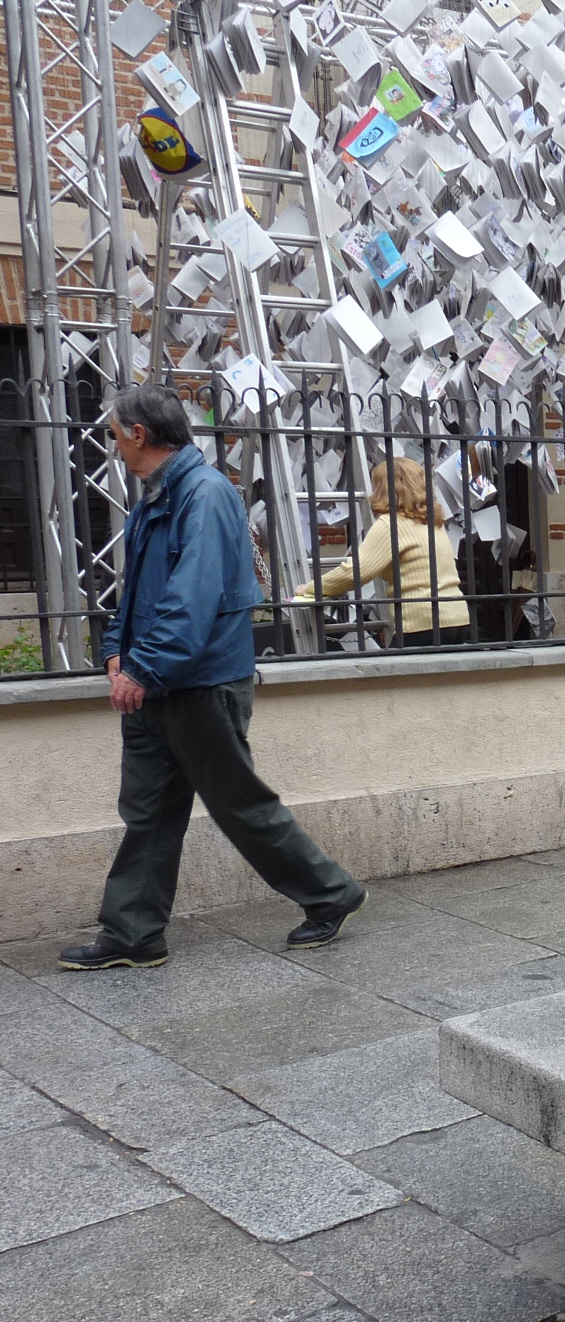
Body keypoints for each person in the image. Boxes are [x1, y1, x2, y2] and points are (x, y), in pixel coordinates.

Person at [61, 384, 365, 970]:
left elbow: (192, 596)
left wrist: (142, 666)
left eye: (115, 435)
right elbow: (136, 591)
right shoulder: (158, 497)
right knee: (148, 811)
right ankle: (133, 934)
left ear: (139, 434)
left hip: (199, 683)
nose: (114, 446)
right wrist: (115, 652)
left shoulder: (204, 493)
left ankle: (331, 893)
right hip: (156, 683)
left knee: (239, 804)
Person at [297, 456, 471, 646]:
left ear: (382, 489)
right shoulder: (432, 521)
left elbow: (356, 572)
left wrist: (310, 589)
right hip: (457, 618)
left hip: (421, 621)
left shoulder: (390, 524)